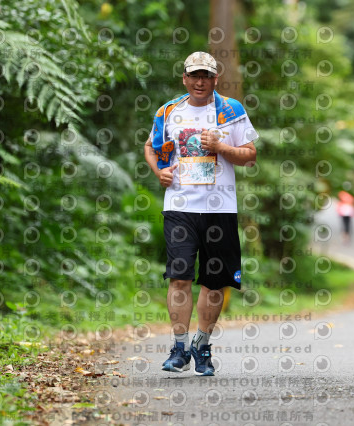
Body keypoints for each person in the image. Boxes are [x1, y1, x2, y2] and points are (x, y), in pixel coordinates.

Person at [143, 52, 258, 376]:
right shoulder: (168, 111)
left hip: (220, 208)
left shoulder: (231, 110)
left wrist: (221, 148)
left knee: (215, 283)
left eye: (206, 75)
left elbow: (250, 156)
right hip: (180, 206)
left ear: (215, 79)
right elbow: (151, 147)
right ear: (184, 78)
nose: (199, 81)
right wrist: (159, 172)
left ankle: (202, 344)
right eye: (194, 75)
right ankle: (179, 348)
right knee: (179, 277)